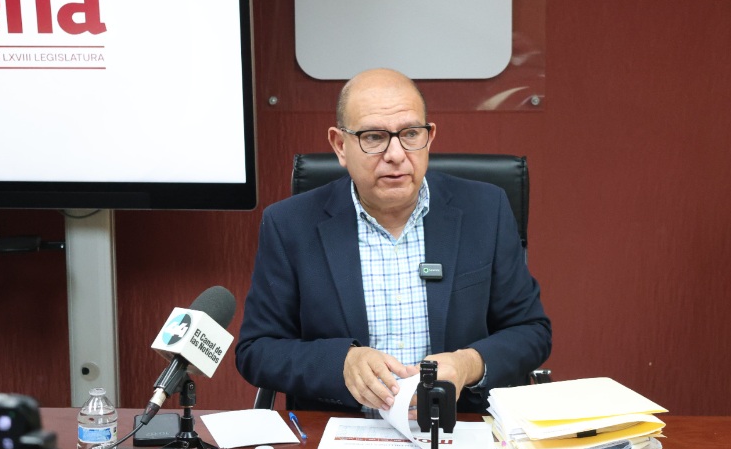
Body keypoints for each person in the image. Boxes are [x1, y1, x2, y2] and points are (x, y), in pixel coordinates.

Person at [235, 68, 551, 413]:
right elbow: (257, 349)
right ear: (340, 146)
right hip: (341, 429)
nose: (396, 154)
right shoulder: (290, 225)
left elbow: (530, 330)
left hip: (459, 425)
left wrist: (468, 364)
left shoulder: (486, 210)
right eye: (374, 137)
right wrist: (341, 363)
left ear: (429, 137)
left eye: (411, 134)